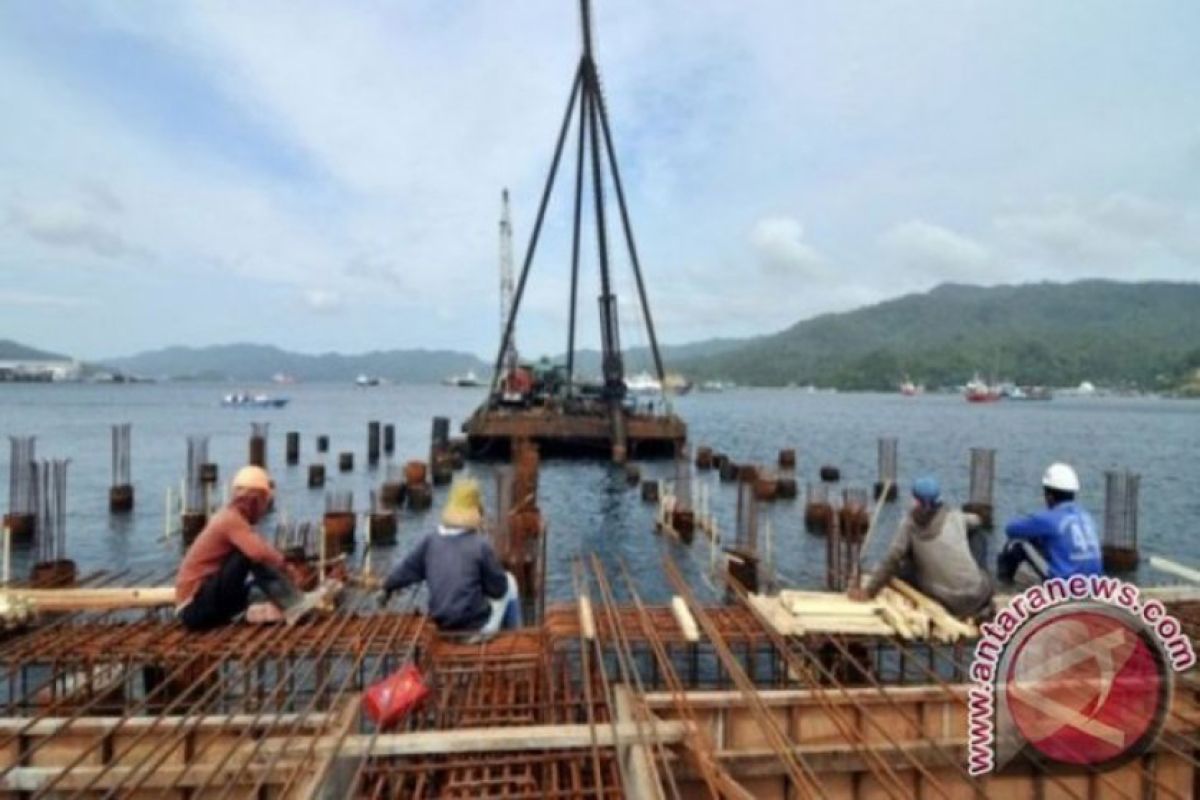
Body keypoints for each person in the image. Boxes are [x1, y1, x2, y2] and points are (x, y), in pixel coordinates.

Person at [175, 466, 320, 630]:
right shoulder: (230, 520)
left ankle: (290, 602)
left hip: (204, 604)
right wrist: (286, 567)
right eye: (265, 503)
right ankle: (294, 603)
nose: (264, 510)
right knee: (248, 554)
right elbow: (258, 552)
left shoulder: (231, 518)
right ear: (254, 501)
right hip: (193, 609)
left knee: (254, 587)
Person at [379, 478, 521, 635]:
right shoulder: (480, 545)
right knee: (511, 583)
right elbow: (499, 590)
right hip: (475, 630)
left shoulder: (430, 541)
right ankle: (515, 637)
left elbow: (406, 570)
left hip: (442, 627)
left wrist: (387, 587)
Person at [849, 476, 993, 619]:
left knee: (904, 563)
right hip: (978, 595)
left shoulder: (910, 525)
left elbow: (892, 559)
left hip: (947, 601)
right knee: (978, 536)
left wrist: (869, 591)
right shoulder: (955, 517)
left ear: (916, 501)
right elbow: (978, 521)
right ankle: (973, 576)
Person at [998, 462, 1101, 586]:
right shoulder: (1086, 516)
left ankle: (1004, 585)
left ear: (1050, 497)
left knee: (1016, 543)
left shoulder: (1048, 518)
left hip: (1064, 585)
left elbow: (1011, 529)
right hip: (1094, 584)